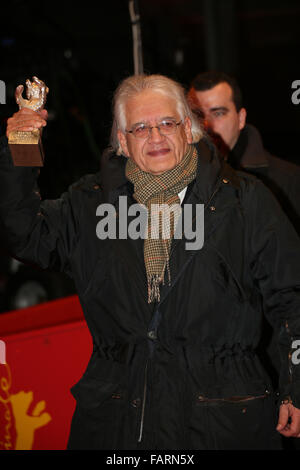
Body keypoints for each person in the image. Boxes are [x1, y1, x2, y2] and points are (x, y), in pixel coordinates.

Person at [1, 74, 300, 450]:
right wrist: (22, 145)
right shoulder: (91, 205)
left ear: (188, 129)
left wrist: (296, 384)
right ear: (122, 141)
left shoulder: (244, 201)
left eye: (166, 123)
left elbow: (293, 296)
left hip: (224, 420)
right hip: (119, 421)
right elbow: (24, 235)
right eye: (140, 128)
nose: (155, 137)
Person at [187, 71, 300, 236]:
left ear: (241, 119)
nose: (207, 125)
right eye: (198, 115)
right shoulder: (180, 182)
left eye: (218, 113)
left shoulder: (288, 181)